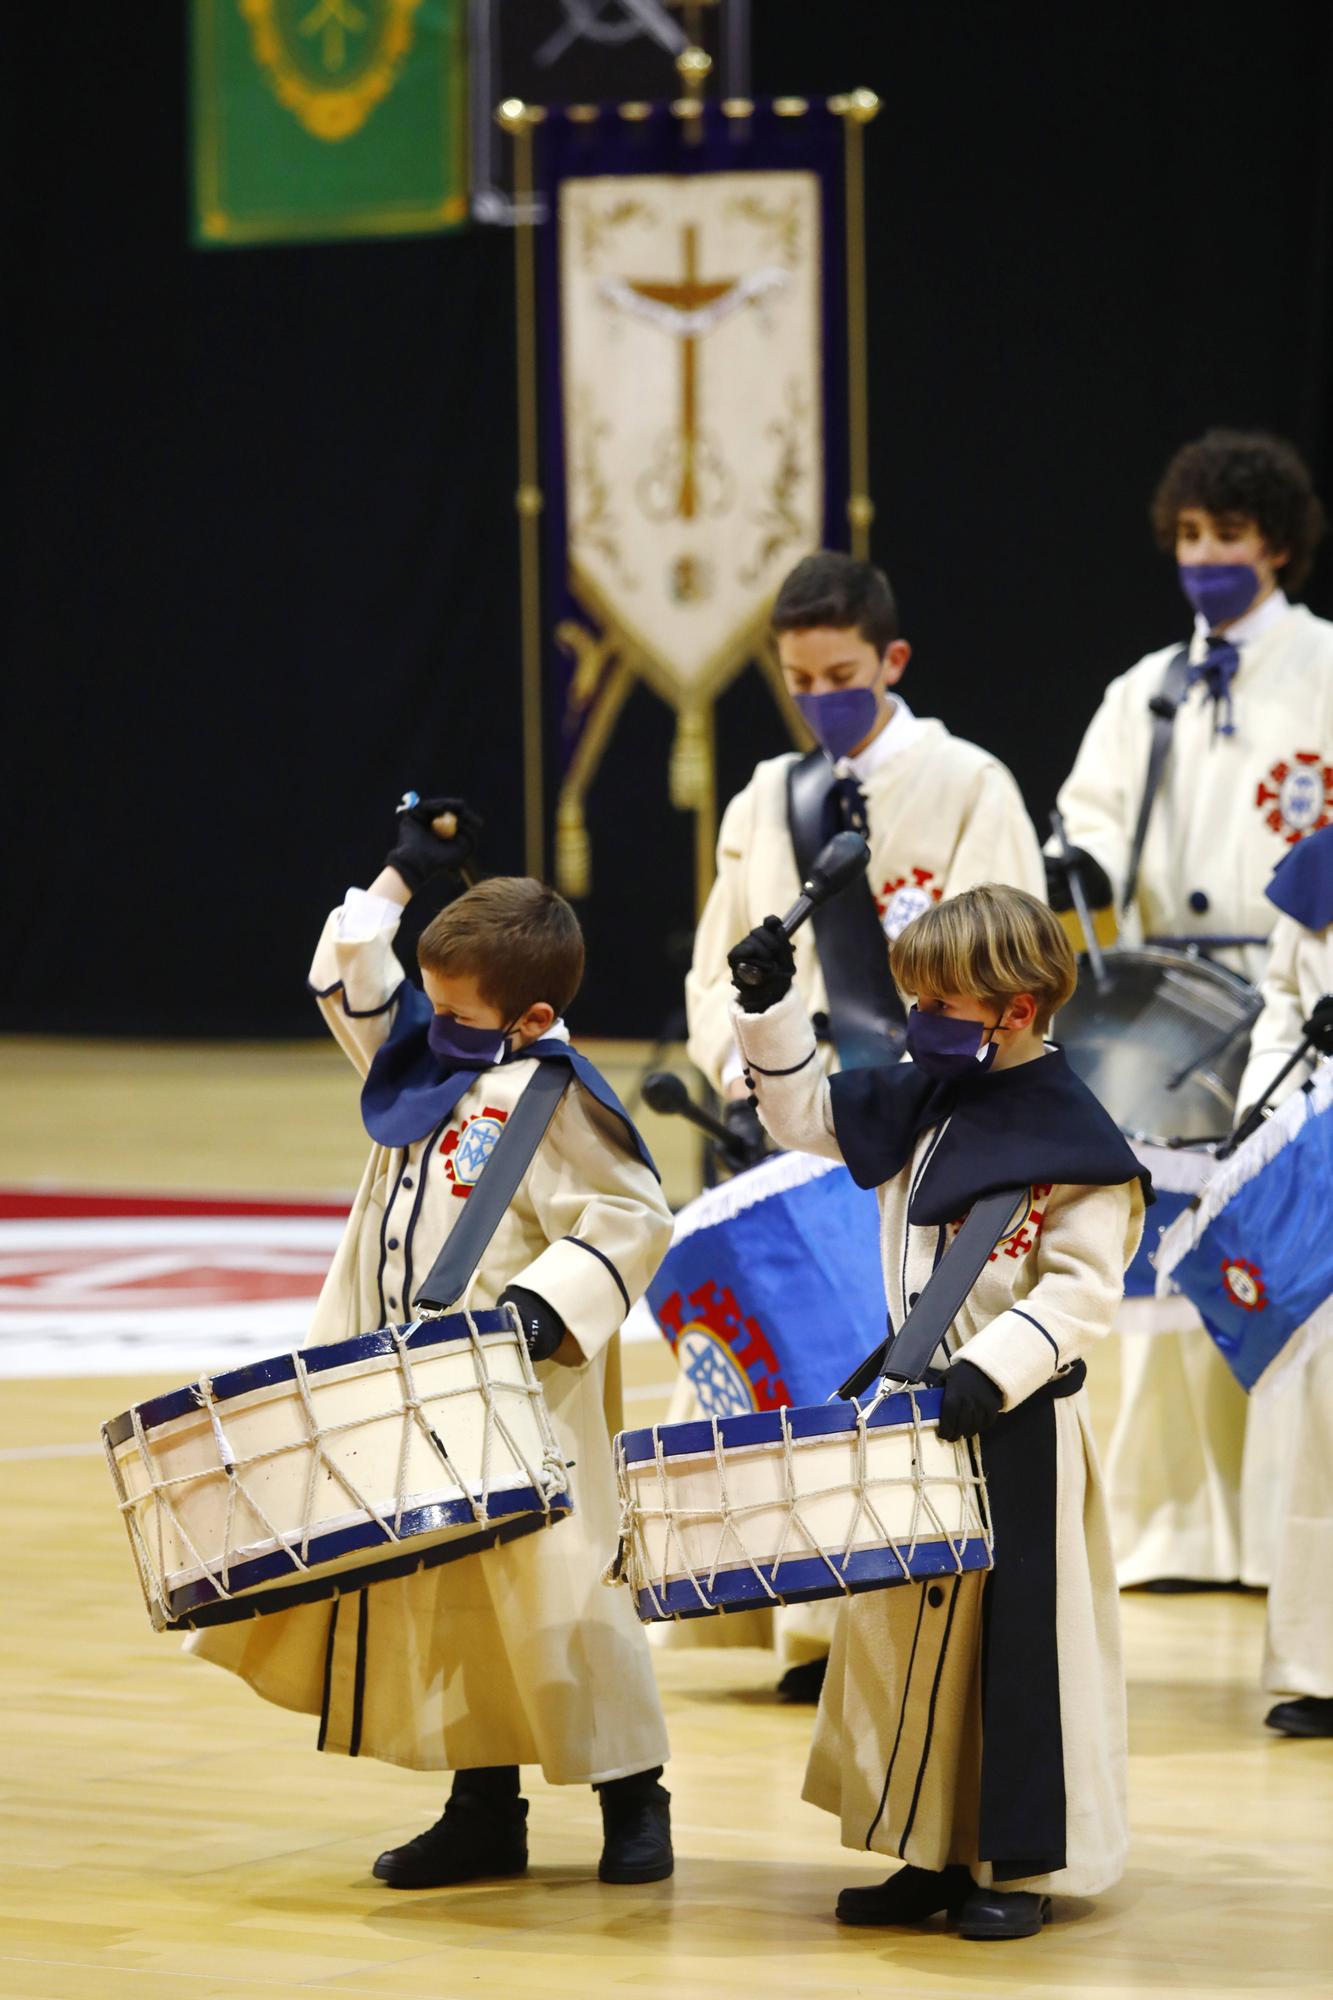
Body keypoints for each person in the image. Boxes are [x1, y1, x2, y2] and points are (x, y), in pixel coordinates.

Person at [190, 797, 676, 1886]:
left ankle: (635, 1796)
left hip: (519, 1391)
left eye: (454, 1008)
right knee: (457, 1604)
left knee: (566, 1592)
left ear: (527, 1012)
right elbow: (351, 966)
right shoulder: (421, 1060)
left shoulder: (556, 1100)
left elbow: (635, 1214)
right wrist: (402, 876)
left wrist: (551, 1306)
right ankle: (482, 1807)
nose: (426, 1018)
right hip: (412, 1389)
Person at [725, 885, 1147, 1939]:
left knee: (1013, 1653)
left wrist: (995, 1367)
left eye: (939, 997)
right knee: (907, 1643)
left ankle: (1014, 1860)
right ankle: (923, 1848)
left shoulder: (1076, 1137)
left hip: (1013, 1422)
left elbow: (1083, 1286)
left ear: (1015, 1004)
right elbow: (802, 1114)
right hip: (914, 1418)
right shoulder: (925, 1092)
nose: (920, 1015)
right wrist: (769, 1009)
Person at [681, 551, 1046, 1696]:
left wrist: (935, 1074)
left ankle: (894, 1598)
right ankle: (810, 1615)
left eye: (841, 672)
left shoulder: (967, 779)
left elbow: (1010, 941)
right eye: (799, 679)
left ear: (890, 660)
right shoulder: (763, 797)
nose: (821, 696)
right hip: (796, 1107)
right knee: (798, 1361)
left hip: (922, 1109)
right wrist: (740, 1065)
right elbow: (715, 959)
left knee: (896, 1359)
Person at [1049, 429, 1333, 1589]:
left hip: (1291, 997)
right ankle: (1179, 1525)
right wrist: (1084, 866)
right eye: (1188, 536)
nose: (1204, 556)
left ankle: (1278, 1531)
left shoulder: (1322, 664)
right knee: (1167, 1258)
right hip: (1162, 1001)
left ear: (1275, 542)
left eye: (1224, 534)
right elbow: (1089, 810)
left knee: (1276, 1248)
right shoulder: (1146, 687)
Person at [1233, 825, 1333, 1737]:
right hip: (1324, 1162)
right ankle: (1325, 1660)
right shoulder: (1321, 864)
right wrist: (1273, 1109)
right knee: (1326, 1420)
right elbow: (1278, 1008)